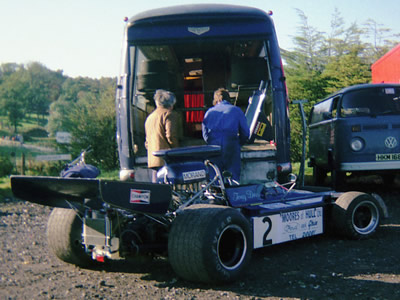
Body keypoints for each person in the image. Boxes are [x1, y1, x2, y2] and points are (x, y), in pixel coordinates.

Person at [202, 88, 250, 182]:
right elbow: (245, 132)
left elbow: (205, 134)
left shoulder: (209, 112)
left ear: (216, 100)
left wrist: (211, 142)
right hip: (231, 144)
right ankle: (233, 193)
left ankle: (216, 193)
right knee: (233, 175)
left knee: (214, 174)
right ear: (229, 99)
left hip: (214, 145)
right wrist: (239, 143)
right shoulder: (236, 110)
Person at [145, 89, 180, 181]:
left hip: (153, 159)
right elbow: (171, 136)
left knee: (158, 189)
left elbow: (147, 142)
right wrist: (177, 151)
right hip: (166, 159)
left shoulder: (150, 117)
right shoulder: (169, 114)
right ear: (171, 103)